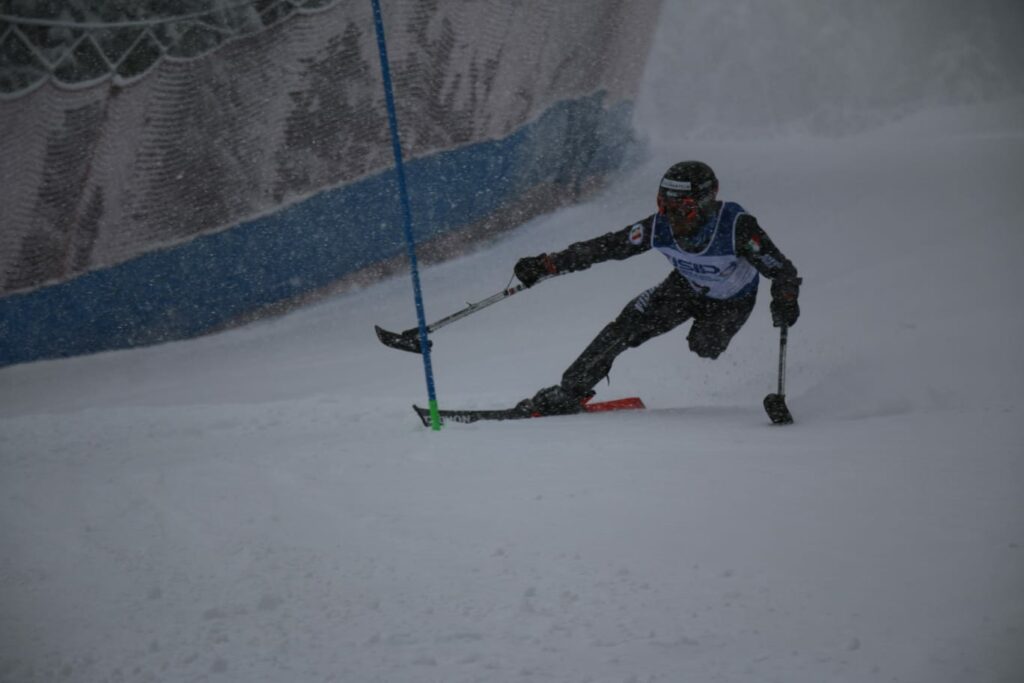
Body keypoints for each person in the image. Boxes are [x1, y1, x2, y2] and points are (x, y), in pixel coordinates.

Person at [512, 160, 801, 416]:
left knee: (703, 346)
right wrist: (549, 264)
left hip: (731, 302)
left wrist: (785, 297)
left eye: (683, 210)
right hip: (683, 288)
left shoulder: (736, 226)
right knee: (624, 328)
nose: (671, 217)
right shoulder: (658, 227)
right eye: (665, 206)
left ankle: (705, 335)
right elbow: (607, 247)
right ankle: (570, 393)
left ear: (705, 203)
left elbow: (780, 270)